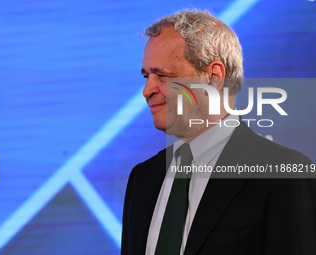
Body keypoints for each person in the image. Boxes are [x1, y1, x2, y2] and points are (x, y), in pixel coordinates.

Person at [121, 9, 316, 255]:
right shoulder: (143, 178)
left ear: (214, 77)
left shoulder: (284, 175)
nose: (147, 90)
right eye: (147, 76)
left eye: (162, 75)